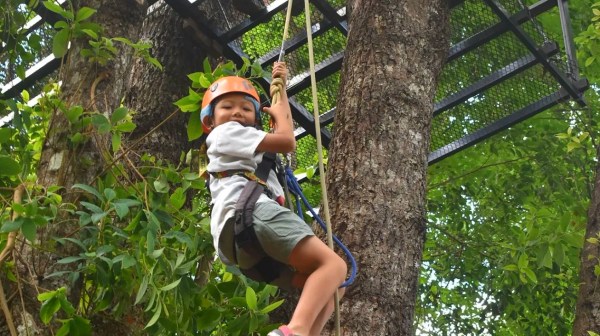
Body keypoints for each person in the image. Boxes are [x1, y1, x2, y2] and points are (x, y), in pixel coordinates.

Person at [200, 62, 347, 336]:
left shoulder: (249, 149)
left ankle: (302, 334)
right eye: (227, 107)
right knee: (334, 265)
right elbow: (287, 141)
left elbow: (281, 136)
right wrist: (280, 111)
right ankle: (295, 331)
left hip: (244, 248)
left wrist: (282, 93)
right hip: (251, 214)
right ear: (209, 121)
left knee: (335, 283)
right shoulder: (225, 134)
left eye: (246, 109)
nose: (237, 113)